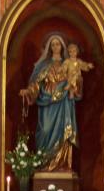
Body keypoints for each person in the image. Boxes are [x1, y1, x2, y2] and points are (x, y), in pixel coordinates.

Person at [19, 35, 81, 172]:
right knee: (45, 130)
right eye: (53, 44)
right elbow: (36, 84)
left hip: (63, 104)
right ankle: (44, 165)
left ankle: (62, 165)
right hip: (47, 104)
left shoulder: (68, 63)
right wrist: (28, 91)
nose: (55, 47)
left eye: (58, 44)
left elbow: (76, 81)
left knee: (63, 132)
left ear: (62, 47)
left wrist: (75, 83)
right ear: (49, 47)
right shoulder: (44, 65)